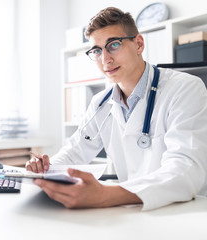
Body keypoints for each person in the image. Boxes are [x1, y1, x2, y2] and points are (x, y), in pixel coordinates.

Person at [25, 7, 207, 211]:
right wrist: (45, 169)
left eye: (114, 45)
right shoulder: (101, 103)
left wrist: (104, 195)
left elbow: (184, 171)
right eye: (96, 51)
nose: (105, 60)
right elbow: (74, 153)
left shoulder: (185, 89)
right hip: (130, 209)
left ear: (138, 44)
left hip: (183, 211)